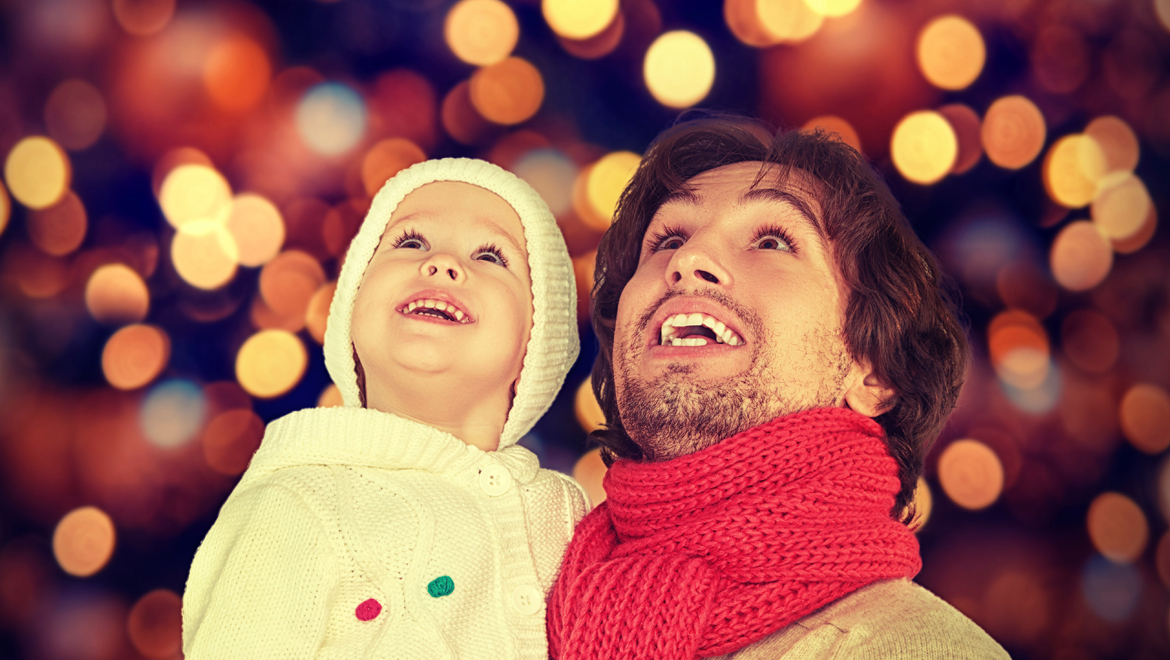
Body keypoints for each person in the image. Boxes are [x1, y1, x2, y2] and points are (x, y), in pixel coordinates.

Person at [546, 118, 1010, 660]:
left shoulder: (919, 651)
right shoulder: (518, 598)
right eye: (668, 239)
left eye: (772, 240)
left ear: (875, 372)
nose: (686, 260)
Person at [183, 158, 589, 659]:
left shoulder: (571, 515)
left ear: (539, 339)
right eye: (411, 242)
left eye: (490, 255)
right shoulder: (295, 504)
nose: (441, 263)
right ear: (351, 308)